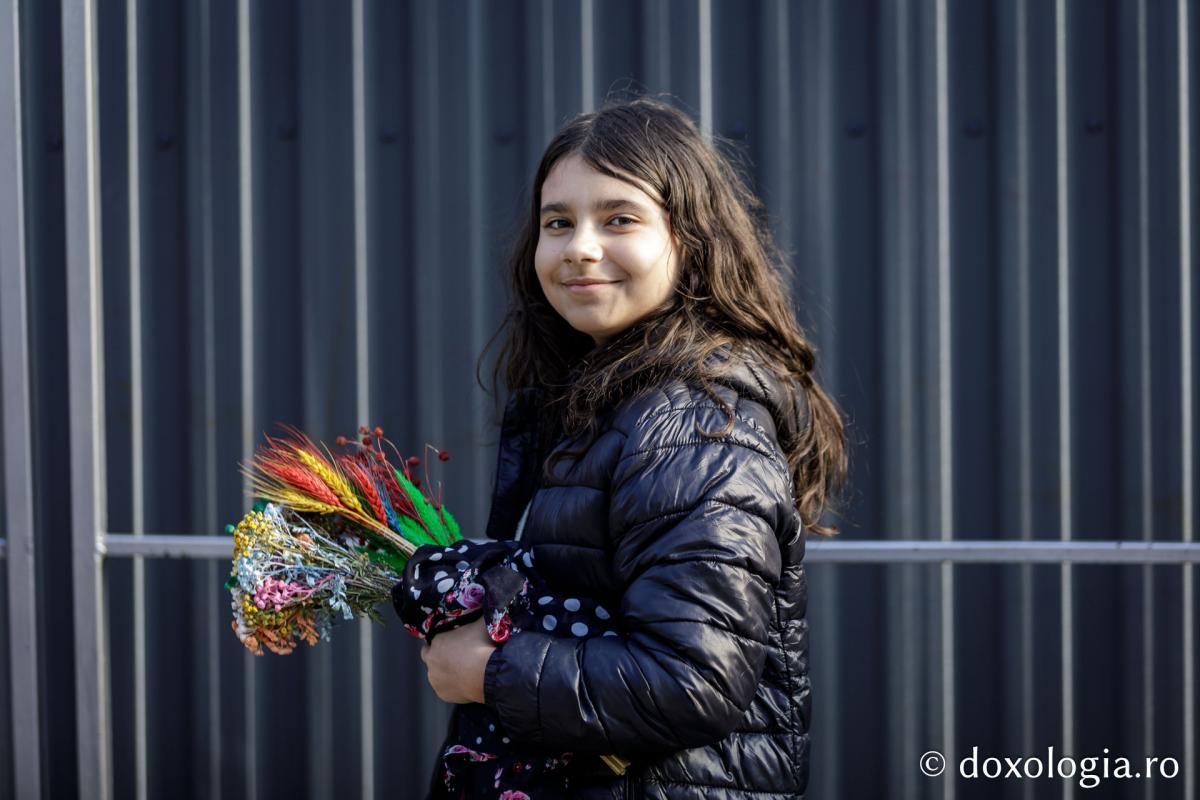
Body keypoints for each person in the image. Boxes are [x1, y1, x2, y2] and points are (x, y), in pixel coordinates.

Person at [416, 95, 847, 799]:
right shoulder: (606, 404)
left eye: (619, 219)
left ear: (691, 241)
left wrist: (490, 672)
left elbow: (692, 680)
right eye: (558, 222)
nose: (580, 248)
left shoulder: (695, 427)